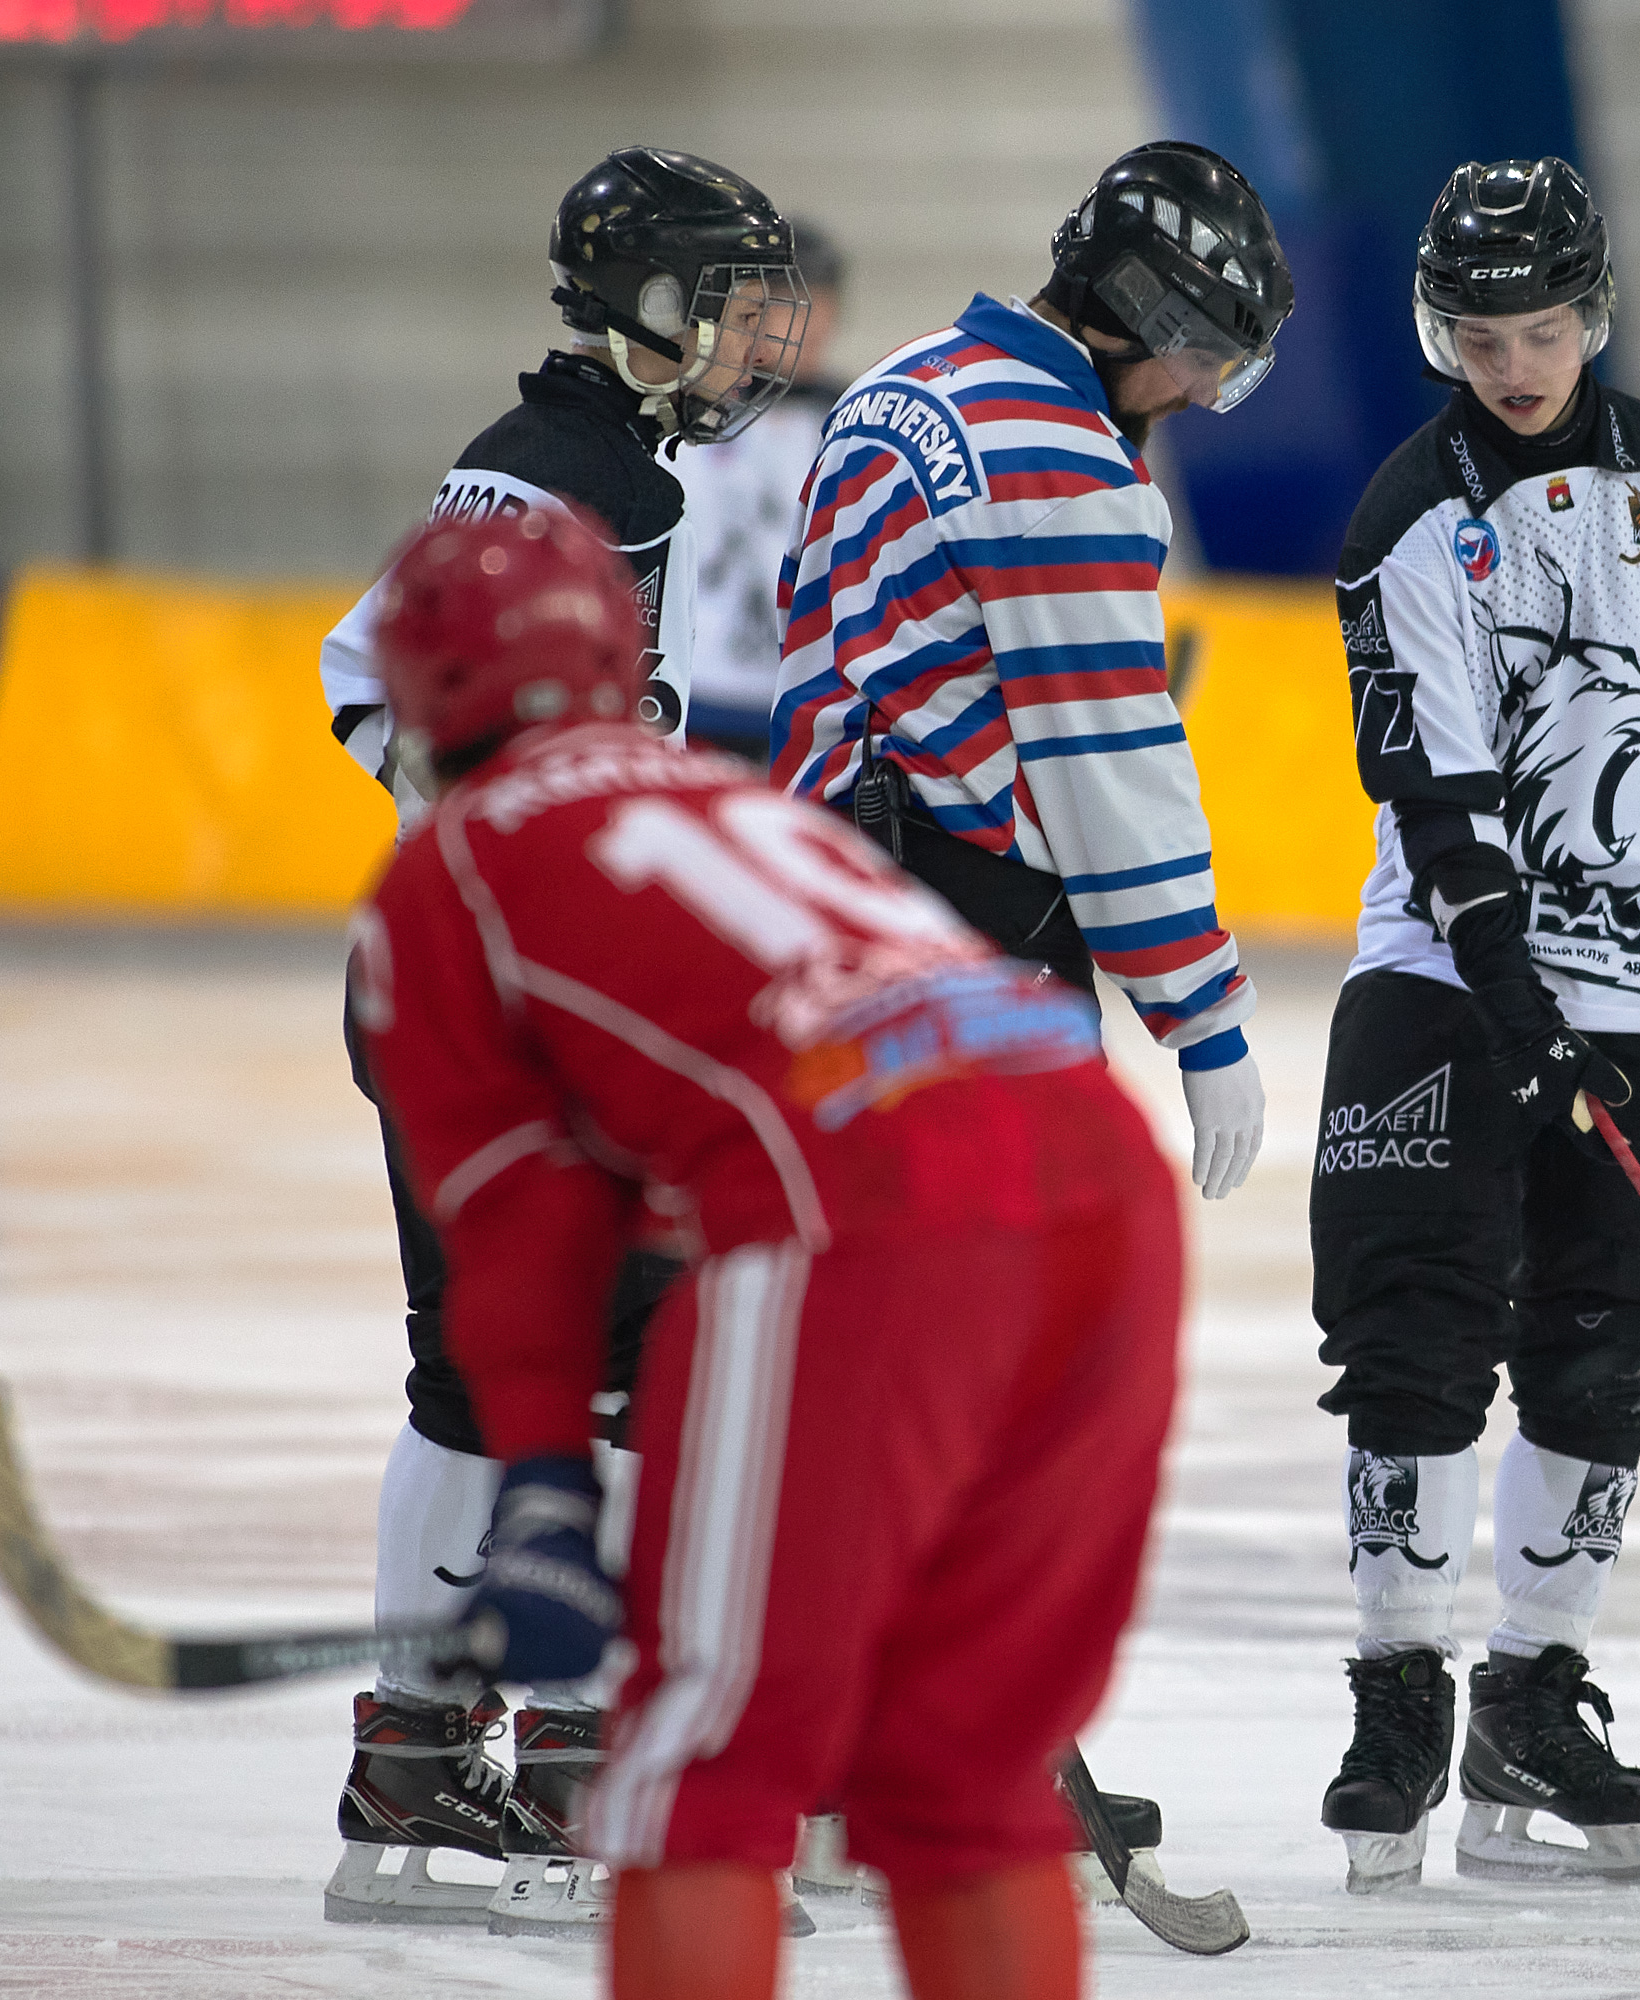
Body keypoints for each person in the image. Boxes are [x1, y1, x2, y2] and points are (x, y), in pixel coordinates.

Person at [351, 505, 1180, 2000]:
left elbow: (523, 1229)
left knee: (702, 1766)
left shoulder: (446, 875)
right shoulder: (734, 793)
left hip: (873, 1211)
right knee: (957, 1771)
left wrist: (542, 1481)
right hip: (1106, 1185)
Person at [314, 145, 807, 1930]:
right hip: (486, 1007)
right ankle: (444, 1761)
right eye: (735, 305)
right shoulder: (547, 475)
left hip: (543, 998)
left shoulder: (614, 466)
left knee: (622, 1357)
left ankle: (535, 1751)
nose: (760, 336)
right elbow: (363, 672)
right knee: (507, 1360)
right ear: (651, 308)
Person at [1307, 157, 1640, 1892]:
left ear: (1595, 314)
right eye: (1479, 334)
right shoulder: (1405, 514)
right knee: (1415, 1337)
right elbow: (1440, 800)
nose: (1514, 364)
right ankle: (1397, 1695)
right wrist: (1521, 1006)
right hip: (1447, 986)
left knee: (1614, 1350)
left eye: (1542, 329)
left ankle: (1534, 1690)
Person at [771, 142, 1288, 1205]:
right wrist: (1203, 1012)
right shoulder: (1061, 460)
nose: (1198, 389)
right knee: (1013, 1275)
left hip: (814, 903)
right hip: (968, 919)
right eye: (1200, 354)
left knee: (866, 1265)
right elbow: (1105, 760)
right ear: (1134, 309)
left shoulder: (894, 385)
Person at [681, 217, 853, 764]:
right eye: (785, 305)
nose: (810, 326)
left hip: (797, 701)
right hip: (701, 693)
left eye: (824, 306)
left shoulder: (853, 416)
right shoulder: (689, 416)